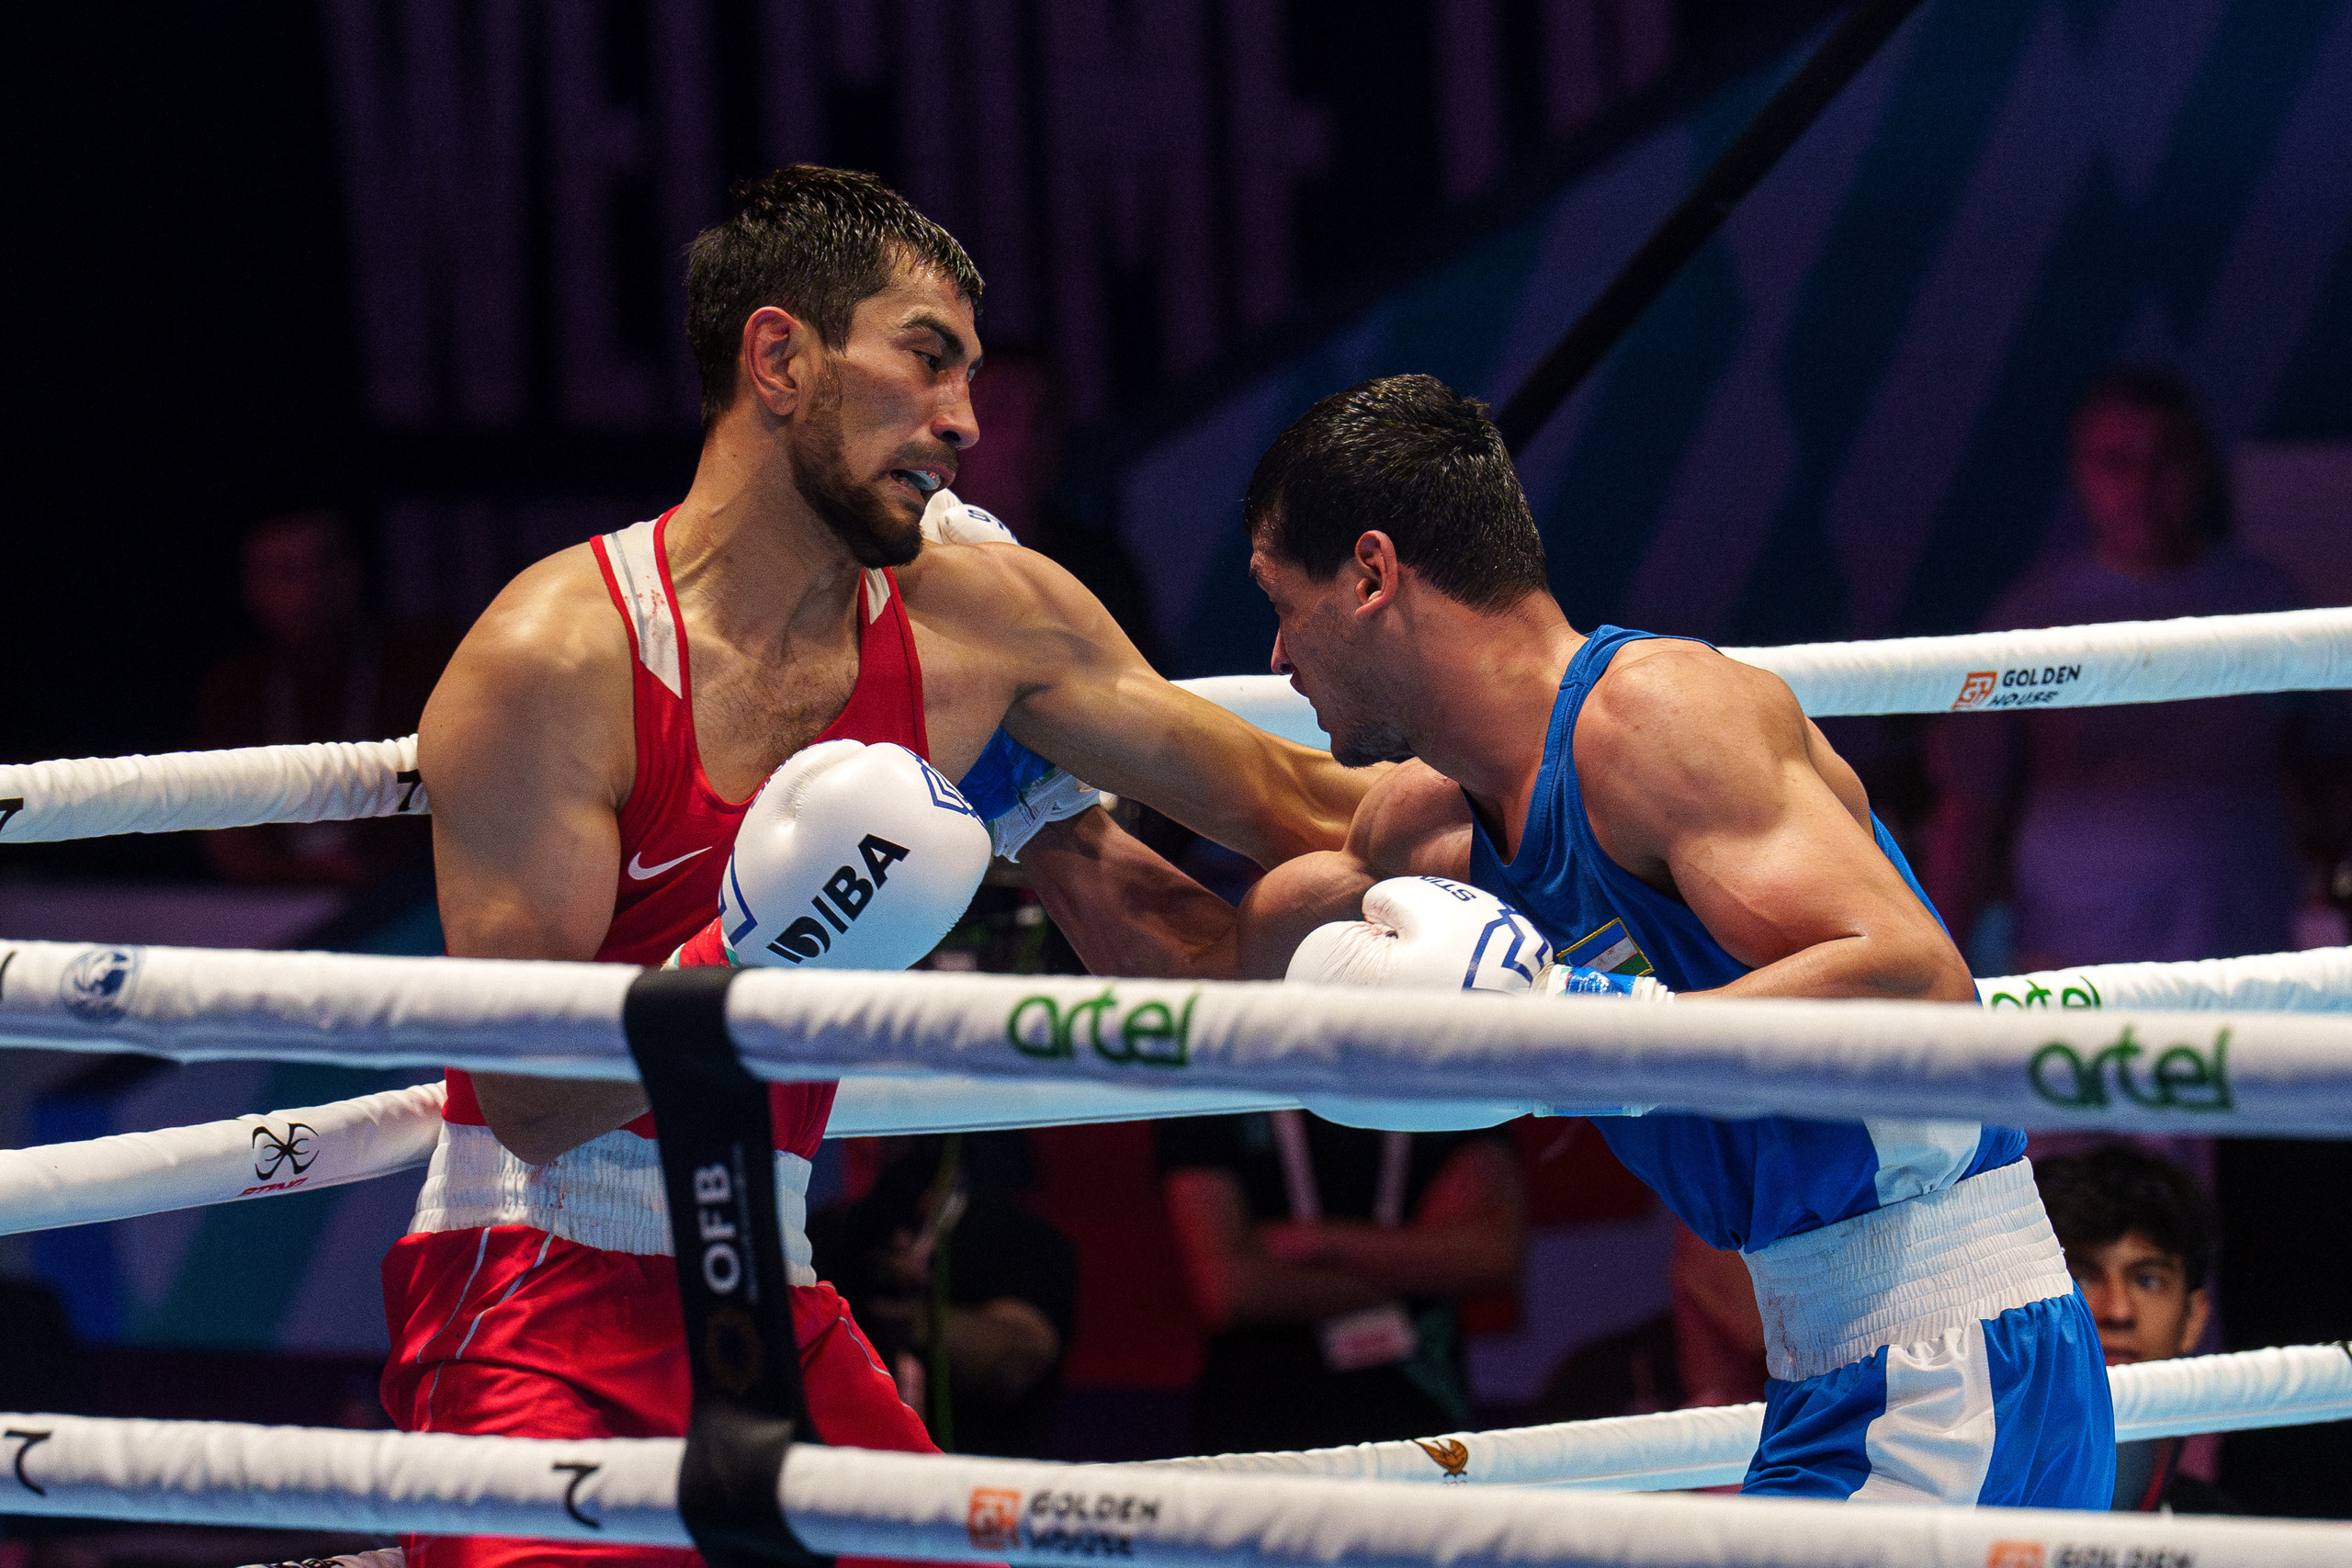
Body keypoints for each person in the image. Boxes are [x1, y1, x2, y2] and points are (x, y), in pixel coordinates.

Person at [381, 165, 1368, 1568]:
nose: (966, 421)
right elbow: (535, 1099)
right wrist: (773, 942)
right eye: (926, 359)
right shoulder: (556, 657)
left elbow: (1292, 799)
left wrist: (1571, 823)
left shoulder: (979, 619)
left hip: (773, 1277)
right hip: (538, 1295)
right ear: (779, 357)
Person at [1023, 374, 2111, 1506]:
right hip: (1837, 1363)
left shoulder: (1658, 720)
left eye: (1281, 601)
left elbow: (1915, 981)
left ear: (1371, 573)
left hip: (1951, 1360)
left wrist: (1607, 1038)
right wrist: (1040, 821)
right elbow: (1228, 982)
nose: (1276, 658)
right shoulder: (1441, 824)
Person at [1926, 367, 2338, 980]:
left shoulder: (2271, 603)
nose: (2142, 484)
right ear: (2082, 475)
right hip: (2071, 967)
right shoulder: (2032, 616)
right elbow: (1969, 807)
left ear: (2201, 465)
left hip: (2246, 959)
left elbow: (2335, 781)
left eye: (2166, 457)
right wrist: (1936, 979)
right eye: (2116, 461)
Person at [1155, 1110, 1522, 1454]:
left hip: (1421, 1414)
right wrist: (1420, 1264)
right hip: (1262, 1427)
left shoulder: (1433, 1069)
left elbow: (1491, 1256)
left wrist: (1312, 1242)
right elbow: (1229, 1291)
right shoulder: (1221, 1076)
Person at [195, 508, 447, 885]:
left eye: (325, 564)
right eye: (285, 573)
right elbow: (222, 832)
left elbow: (459, 806)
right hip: (268, 910)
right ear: (250, 589)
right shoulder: (235, 688)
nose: (311, 587)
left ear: (356, 570)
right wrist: (297, 874)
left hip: (410, 900)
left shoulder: (422, 666)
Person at [807, 1134, 1076, 1460]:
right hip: (851, 1475)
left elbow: (1020, 1359)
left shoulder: (1024, 1239)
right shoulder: (834, 1234)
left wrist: (919, 1320)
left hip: (985, 1482)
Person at [2035, 1146, 2233, 1514]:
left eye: (2148, 1280)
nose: (2118, 1311)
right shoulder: (1947, 1513)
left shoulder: (2240, 1544)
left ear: (2193, 1320)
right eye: (2079, 1277)